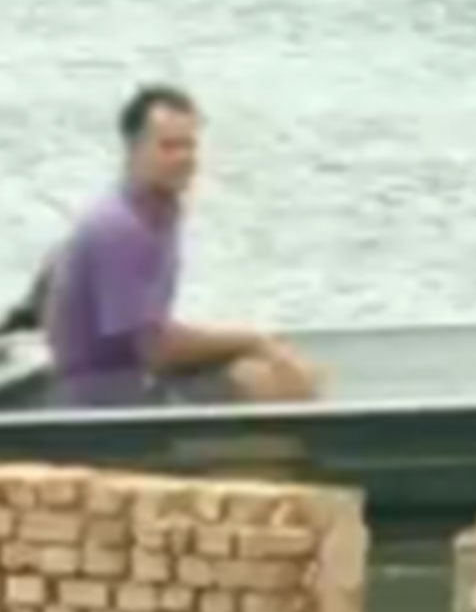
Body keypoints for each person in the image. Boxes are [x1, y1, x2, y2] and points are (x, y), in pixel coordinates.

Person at [42, 84, 320, 407]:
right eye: (168, 147)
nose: (183, 158)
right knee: (268, 381)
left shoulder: (161, 209)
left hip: (135, 372)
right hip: (100, 392)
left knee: (297, 371)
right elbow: (156, 350)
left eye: (189, 146)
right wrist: (252, 341)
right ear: (134, 149)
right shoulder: (120, 228)